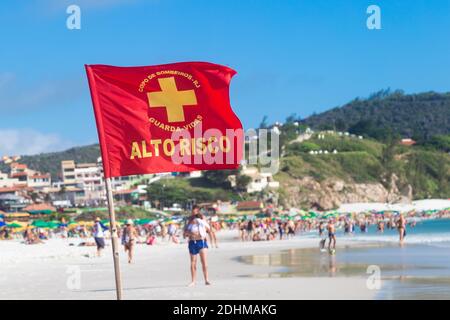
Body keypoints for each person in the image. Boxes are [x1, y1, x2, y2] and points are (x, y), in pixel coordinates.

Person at [184, 207, 211, 287]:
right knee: (193, 262)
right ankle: (193, 281)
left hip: (201, 242)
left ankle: (206, 280)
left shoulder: (202, 218)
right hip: (192, 242)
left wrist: (202, 230)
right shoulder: (189, 221)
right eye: (193, 211)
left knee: (204, 262)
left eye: (195, 211)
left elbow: (208, 229)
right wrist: (190, 233)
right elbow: (185, 233)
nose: (193, 212)